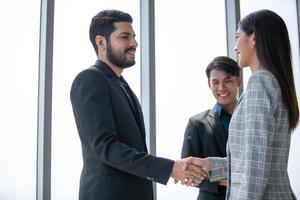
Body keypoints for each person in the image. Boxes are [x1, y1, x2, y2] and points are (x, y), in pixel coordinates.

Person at [70, 9, 205, 200]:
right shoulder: (90, 79)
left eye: (133, 37)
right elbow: (105, 147)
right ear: (101, 42)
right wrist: (169, 168)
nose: (134, 43)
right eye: (124, 37)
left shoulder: (122, 85)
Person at [186, 9, 299, 199]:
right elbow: (251, 161)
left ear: (253, 39)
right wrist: (209, 165)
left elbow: (255, 167)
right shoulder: (274, 81)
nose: (236, 46)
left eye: (238, 36)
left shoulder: (259, 83)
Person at [181, 56, 242, 200]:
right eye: (215, 82)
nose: (221, 88)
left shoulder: (253, 118)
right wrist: (224, 182)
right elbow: (187, 171)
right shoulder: (196, 123)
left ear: (238, 81)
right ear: (209, 84)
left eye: (227, 80)